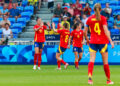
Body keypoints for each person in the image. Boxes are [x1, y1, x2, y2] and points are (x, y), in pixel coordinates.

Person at [84, 3, 114, 85]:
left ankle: (90, 79)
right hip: (102, 42)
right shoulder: (103, 18)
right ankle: (108, 80)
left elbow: (84, 32)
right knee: (105, 62)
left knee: (91, 60)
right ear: (100, 10)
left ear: (93, 10)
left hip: (93, 41)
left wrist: (87, 40)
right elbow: (105, 31)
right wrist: (111, 41)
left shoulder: (89, 19)